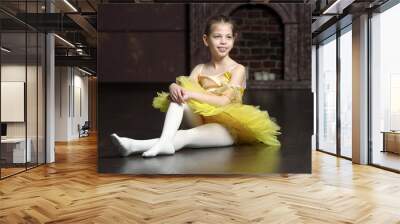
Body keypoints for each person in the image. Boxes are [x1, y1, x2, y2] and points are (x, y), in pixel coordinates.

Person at [111, 15, 281, 157]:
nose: (223, 42)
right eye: (217, 36)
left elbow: (223, 101)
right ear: (206, 40)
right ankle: (160, 144)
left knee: (184, 135)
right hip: (199, 120)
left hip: (226, 128)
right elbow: (183, 90)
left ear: (233, 40)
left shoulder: (238, 69)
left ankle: (134, 145)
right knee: (178, 99)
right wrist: (173, 87)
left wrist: (189, 94)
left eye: (228, 37)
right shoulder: (199, 69)